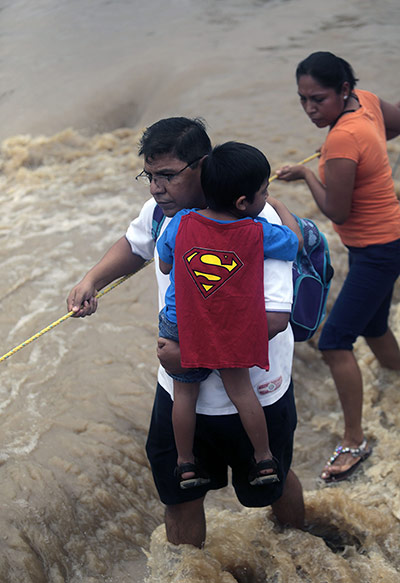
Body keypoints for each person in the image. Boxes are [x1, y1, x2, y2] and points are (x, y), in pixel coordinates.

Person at [67, 117, 305, 548]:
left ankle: (299, 555)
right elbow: (135, 245)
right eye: (149, 176)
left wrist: (191, 353)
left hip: (257, 390)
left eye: (168, 176)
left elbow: (275, 319)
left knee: (274, 485)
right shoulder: (164, 216)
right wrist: (92, 280)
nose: (156, 188)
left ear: (203, 166)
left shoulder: (255, 222)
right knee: (180, 498)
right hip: (178, 389)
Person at [276, 51, 400, 483]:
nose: (311, 109)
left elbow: (339, 211)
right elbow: (393, 125)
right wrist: (349, 159)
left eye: (319, 99)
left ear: (343, 89)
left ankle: (354, 441)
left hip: (377, 250)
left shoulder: (341, 140)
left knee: (333, 342)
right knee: (374, 325)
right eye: (303, 100)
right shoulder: (365, 103)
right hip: (389, 238)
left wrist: (310, 174)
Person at [156, 141, 299, 490]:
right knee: (243, 392)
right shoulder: (256, 231)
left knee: (184, 395)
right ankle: (264, 459)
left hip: (179, 327)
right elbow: (294, 241)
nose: (267, 197)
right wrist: (279, 206)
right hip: (226, 327)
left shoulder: (181, 222)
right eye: (264, 192)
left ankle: (186, 463)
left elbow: (163, 261)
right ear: (242, 203)